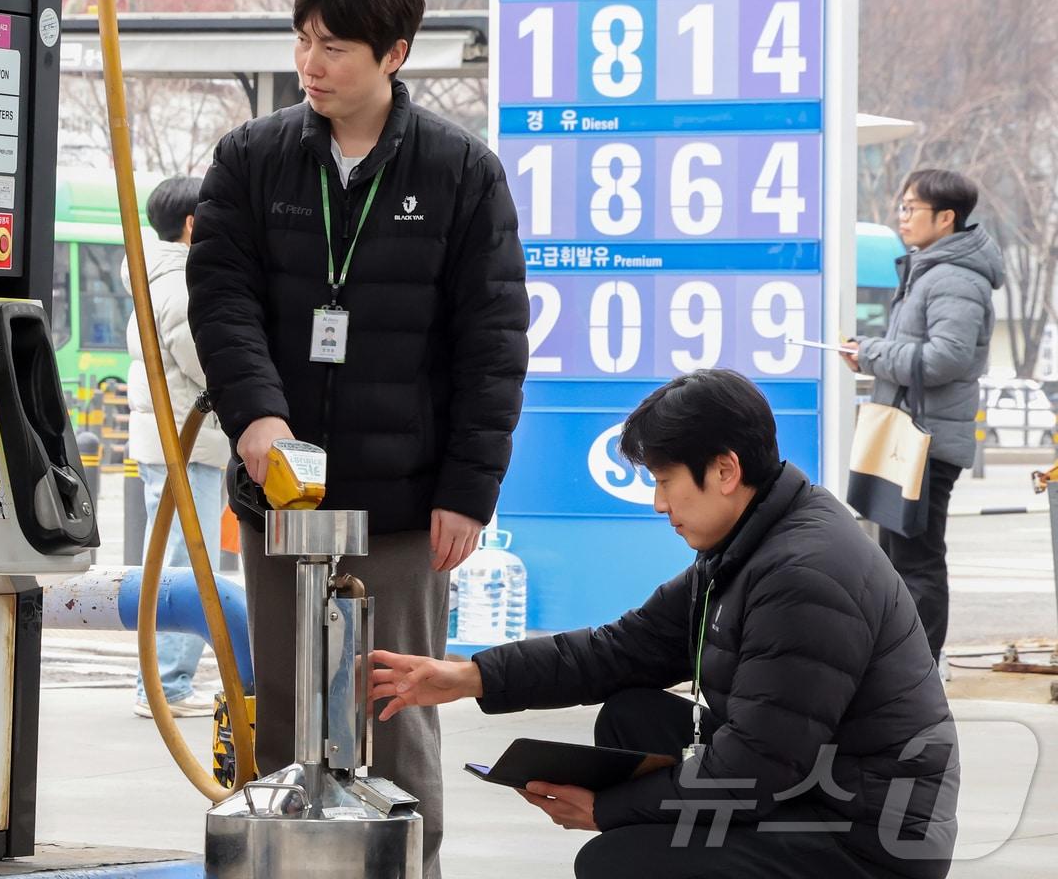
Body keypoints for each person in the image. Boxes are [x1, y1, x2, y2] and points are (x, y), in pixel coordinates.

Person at [186, 0, 528, 878]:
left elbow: (492, 346)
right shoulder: (252, 159)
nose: (312, 62)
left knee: (396, 713)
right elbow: (221, 300)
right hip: (281, 499)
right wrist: (256, 420)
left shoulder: (462, 174)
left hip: (404, 504)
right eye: (303, 41)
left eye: (333, 45)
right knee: (293, 715)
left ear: (395, 54)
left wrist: (467, 490)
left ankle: (410, 867)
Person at [373, 369, 958, 879]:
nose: (658, 504)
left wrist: (607, 811)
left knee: (622, 860)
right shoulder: (748, 541)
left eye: (664, 481)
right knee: (635, 717)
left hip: (867, 837)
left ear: (725, 470)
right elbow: (622, 649)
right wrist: (468, 677)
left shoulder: (806, 575)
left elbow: (755, 770)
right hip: (812, 789)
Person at [843, 169, 1004, 664]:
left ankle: (918, 672)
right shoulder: (930, 269)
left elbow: (944, 359)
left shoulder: (956, 278)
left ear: (947, 218)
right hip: (911, 439)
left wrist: (871, 353)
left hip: (925, 443)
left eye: (912, 208)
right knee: (897, 558)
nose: (903, 216)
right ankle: (902, 667)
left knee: (918, 561)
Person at [123, 175, 229, 719]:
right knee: (188, 563)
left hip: (171, 445)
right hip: (186, 446)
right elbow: (205, 359)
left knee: (173, 558)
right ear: (191, 224)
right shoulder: (179, 284)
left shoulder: (153, 276)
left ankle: (161, 682)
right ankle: (164, 685)